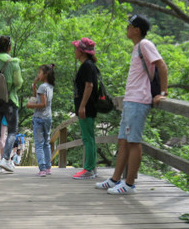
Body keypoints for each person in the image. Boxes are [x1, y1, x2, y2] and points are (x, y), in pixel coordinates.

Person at [96, 14, 168, 195]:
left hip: (139, 100)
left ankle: (129, 184)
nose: (126, 29)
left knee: (134, 142)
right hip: (130, 100)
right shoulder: (137, 48)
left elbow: (162, 66)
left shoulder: (145, 45)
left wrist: (163, 93)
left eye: (129, 26)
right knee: (123, 141)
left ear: (137, 30)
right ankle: (115, 180)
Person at [0, 36, 23, 174]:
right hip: (10, 101)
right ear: (9, 48)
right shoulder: (13, 63)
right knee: (12, 132)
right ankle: (5, 159)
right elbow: (18, 83)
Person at [72, 37, 100, 179]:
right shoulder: (89, 65)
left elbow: (89, 86)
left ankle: (88, 169)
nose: (74, 51)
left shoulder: (87, 66)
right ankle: (92, 168)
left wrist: (82, 106)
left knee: (87, 138)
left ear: (81, 52)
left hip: (87, 107)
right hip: (87, 107)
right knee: (89, 137)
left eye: (76, 49)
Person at [27, 64, 55, 177]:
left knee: (39, 144)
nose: (38, 75)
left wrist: (30, 106)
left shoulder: (42, 87)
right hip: (48, 117)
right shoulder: (49, 86)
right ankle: (48, 167)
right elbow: (37, 99)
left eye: (39, 72)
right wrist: (34, 87)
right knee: (46, 143)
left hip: (39, 118)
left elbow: (42, 104)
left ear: (45, 74)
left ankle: (42, 168)